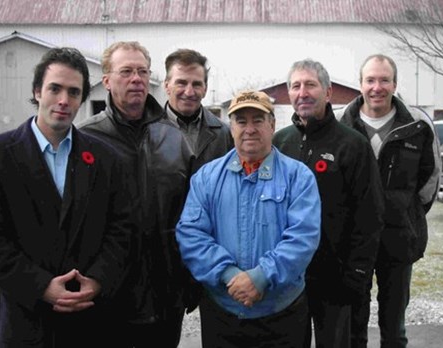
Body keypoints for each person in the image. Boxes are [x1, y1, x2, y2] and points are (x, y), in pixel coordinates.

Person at [0, 47, 134, 347]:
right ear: (36, 91)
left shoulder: (107, 160)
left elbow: (122, 228)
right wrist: (40, 286)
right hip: (27, 321)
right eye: (54, 88)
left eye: (73, 92)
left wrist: (98, 280)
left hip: (92, 320)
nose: (63, 101)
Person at [176, 90, 321, 347]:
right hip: (223, 314)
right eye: (241, 121)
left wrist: (261, 277)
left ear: (273, 125)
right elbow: (191, 235)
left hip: (282, 314)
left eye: (258, 120)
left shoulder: (299, 177)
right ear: (231, 127)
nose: (250, 129)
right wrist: (229, 274)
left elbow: (303, 238)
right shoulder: (207, 177)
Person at [76, 41, 193, 348]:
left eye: (142, 71)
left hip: (165, 291)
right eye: (126, 71)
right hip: (108, 292)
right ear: (106, 80)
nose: (136, 79)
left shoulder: (173, 136)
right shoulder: (86, 138)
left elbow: (191, 213)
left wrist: (188, 281)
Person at [273, 59, 384, 348]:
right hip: (290, 277)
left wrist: (358, 273)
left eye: (311, 84)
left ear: (328, 92)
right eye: (295, 86)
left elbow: (369, 215)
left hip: (339, 280)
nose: (303, 92)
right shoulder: (279, 143)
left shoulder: (352, 145)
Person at [339, 54, 441, 348]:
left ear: (395, 84)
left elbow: (429, 180)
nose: (377, 87)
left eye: (384, 80)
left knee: (394, 327)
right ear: (360, 84)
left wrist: (404, 213)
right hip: (353, 242)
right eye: (370, 80)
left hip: (398, 239)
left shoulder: (418, 125)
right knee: (353, 325)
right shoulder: (341, 124)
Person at [163, 48, 234, 174]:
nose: (189, 92)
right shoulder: (147, 132)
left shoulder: (224, 135)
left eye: (196, 84)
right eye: (181, 83)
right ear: (167, 86)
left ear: (205, 89)